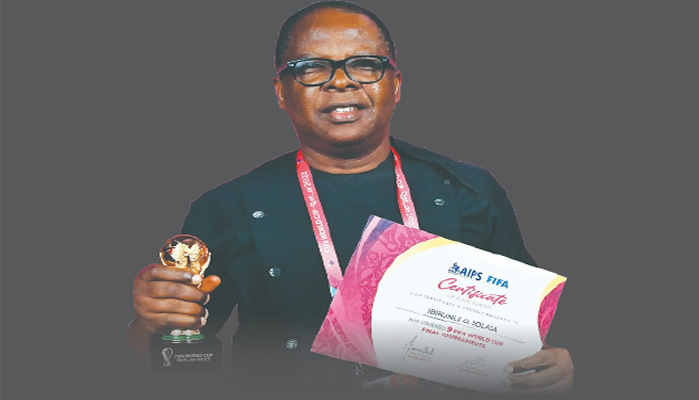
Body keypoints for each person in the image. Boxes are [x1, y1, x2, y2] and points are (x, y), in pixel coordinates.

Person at [128, 0, 574, 394]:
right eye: (311, 67)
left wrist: (552, 371)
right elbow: (180, 367)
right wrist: (150, 324)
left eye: (364, 64)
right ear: (281, 91)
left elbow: (529, 343)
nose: (340, 82)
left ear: (395, 85)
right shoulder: (227, 208)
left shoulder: (469, 191)